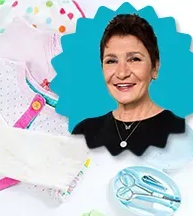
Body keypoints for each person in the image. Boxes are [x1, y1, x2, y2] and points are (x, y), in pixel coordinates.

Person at [72, 14, 184, 156]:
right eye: (111, 61)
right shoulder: (84, 132)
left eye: (134, 59)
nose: (122, 73)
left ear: (155, 67)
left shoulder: (180, 132)